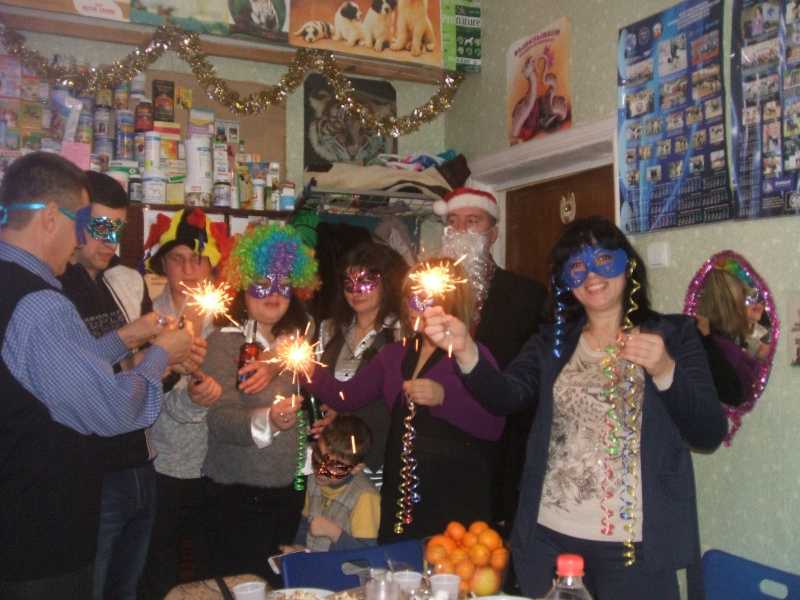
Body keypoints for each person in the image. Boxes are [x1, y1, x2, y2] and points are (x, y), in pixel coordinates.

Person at [424, 217, 728, 600]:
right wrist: (467, 350)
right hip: (551, 539)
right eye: (577, 266)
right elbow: (505, 396)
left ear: (628, 265)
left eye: (603, 259)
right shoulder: (553, 342)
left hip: (633, 548)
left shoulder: (674, 335)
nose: (592, 275)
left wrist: (665, 370)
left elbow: (708, 433)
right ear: (567, 281)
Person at [0, 152, 192, 599]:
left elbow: (54, 372)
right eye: (84, 222)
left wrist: (128, 337)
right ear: (51, 217)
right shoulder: (39, 303)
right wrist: (161, 354)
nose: (81, 239)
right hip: (39, 536)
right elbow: (111, 408)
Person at [306, 257, 505, 542]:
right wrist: (304, 367)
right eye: (412, 298)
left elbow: (494, 425)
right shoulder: (394, 354)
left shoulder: (470, 354)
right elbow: (346, 397)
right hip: (400, 487)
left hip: (453, 488)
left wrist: (443, 398)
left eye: (427, 299)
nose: (416, 308)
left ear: (450, 302)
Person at [139, 208, 268, 598]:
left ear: (211, 265)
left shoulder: (234, 320)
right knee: (159, 570)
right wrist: (191, 395)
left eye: (197, 259)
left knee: (213, 573)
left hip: (221, 466)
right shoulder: (146, 319)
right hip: (165, 464)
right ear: (163, 265)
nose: (188, 269)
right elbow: (142, 394)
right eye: (177, 259)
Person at [58, 171, 162, 600]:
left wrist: (169, 357)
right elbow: (77, 380)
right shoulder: (54, 289)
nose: (110, 242)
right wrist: (142, 342)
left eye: (116, 230)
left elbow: (122, 371)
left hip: (136, 460)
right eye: (100, 227)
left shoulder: (109, 284)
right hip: (93, 471)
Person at [202, 223, 320, 582]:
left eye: (282, 284)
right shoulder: (223, 342)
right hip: (238, 493)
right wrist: (268, 418)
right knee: (239, 585)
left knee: (282, 586)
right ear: (243, 284)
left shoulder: (300, 344)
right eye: (262, 283)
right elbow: (220, 420)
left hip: (292, 490)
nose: (273, 293)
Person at [434, 187, 547, 529]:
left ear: (493, 233)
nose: (461, 230)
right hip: (439, 441)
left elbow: (532, 375)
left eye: (473, 221)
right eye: (454, 222)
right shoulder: (428, 292)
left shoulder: (527, 294)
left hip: (501, 443)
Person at [318, 240, 408, 488]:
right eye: (349, 283)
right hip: (333, 456)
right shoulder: (329, 330)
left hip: (381, 456)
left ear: (387, 283)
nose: (356, 291)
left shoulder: (402, 333)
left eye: (366, 281)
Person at [282, 415, 381, 552]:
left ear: (356, 468)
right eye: (319, 458)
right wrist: (298, 548)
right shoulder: (313, 480)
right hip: (314, 560)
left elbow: (368, 555)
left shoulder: (365, 497)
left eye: (335, 467)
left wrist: (335, 533)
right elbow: (304, 523)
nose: (321, 471)